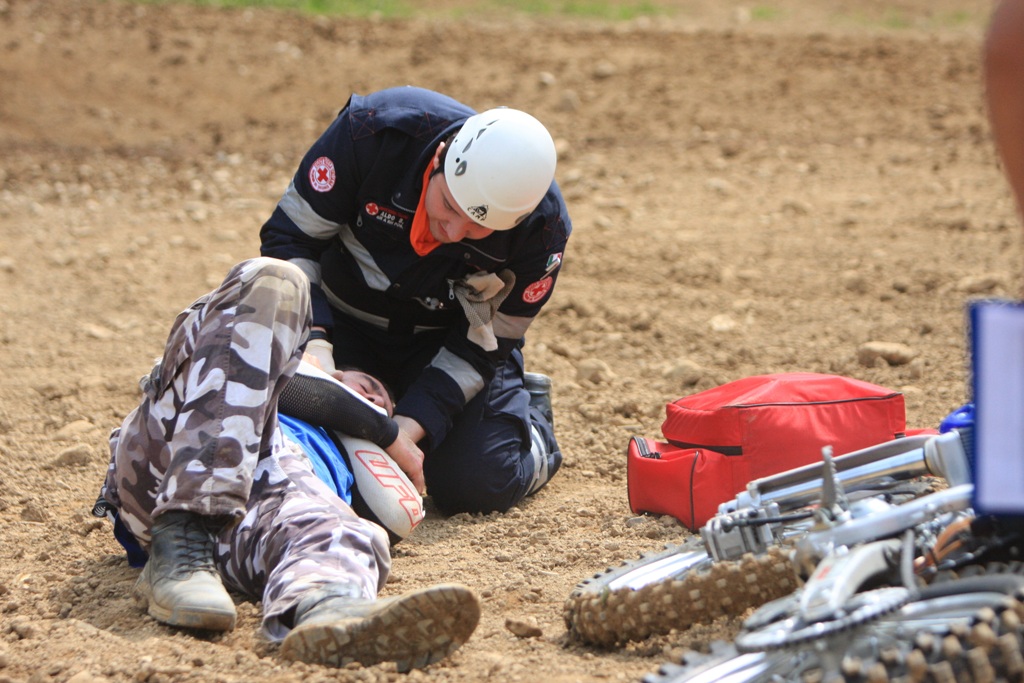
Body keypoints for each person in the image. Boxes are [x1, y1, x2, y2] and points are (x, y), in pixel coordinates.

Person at [97, 257, 480, 672]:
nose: (371, 400)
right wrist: (382, 427)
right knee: (276, 281)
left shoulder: (348, 471)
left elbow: (387, 515)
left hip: (248, 522)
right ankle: (182, 532)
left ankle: (329, 609)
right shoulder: (271, 370)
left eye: (381, 402)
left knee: (343, 531)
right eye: (366, 386)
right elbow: (298, 384)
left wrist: (380, 441)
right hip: (167, 464)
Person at [260, 86, 571, 515]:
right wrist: (319, 357)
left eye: (477, 228)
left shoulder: (542, 229)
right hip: (338, 323)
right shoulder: (373, 133)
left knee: (478, 483)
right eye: (449, 205)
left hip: (441, 344)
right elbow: (290, 241)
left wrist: (402, 432)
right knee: (297, 446)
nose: (454, 231)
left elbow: (485, 343)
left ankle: (533, 429)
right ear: (439, 157)